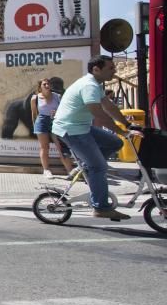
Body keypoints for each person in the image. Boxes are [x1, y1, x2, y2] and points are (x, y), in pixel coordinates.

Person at [52, 55, 139, 220]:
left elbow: (109, 107)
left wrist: (126, 125)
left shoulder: (95, 84)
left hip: (82, 127)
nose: (114, 71)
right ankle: (101, 207)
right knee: (99, 167)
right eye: (111, 68)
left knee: (114, 142)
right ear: (96, 69)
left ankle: (87, 167)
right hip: (71, 130)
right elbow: (98, 113)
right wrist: (121, 130)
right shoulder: (88, 86)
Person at [31, 78, 74, 179]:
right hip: (41, 121)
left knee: (61, 147)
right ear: (40, 87)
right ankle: (46, 170)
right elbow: (34, 113)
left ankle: (70, 171)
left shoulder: (57, 96)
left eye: (48, 83)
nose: (47, 85)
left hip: (55, 121)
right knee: (44, 147)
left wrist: (57, 113)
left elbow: (64, 110)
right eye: (44, 84)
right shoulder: (35, 98)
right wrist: (35, 126)